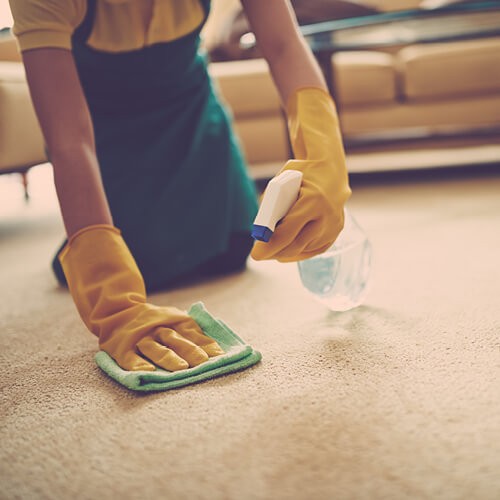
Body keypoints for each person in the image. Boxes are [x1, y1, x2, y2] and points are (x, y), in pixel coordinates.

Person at [9, 0, 351, 373]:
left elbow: (284, 44)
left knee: (233, 248)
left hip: (190, 113)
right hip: (104, 130)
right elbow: (69, 141)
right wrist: (115, 303)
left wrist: (323, 153)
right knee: (142, 260)